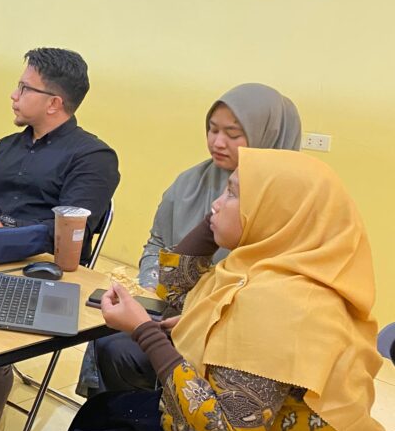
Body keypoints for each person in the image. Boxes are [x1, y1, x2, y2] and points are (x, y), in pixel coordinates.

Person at [25, 149, 383, 431]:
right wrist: (219, 223)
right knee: (102, 410)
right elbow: (176, 289)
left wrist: (145, 332)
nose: (214, 203)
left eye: (232, 193)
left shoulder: (281, 304)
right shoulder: (269, 265)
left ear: (275, 212)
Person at [81, 83, 302, 395]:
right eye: (212, 130)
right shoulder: (191, 182)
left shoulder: (289, 200)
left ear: (268, 135)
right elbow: (158, 241)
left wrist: (193, 313)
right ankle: (124, 418)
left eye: (233, 134)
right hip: (175, 303)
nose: (217, 142)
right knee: (107, 330)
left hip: (233, 330)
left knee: (123, 350)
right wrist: (151, 282)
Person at [0, 47, 120, 431]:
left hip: (44, 268)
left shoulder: (93, 157)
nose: (13, 95)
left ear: (54, 102)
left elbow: (65, 232)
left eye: (24, 87)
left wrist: (0, 232)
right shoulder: (6, 145)